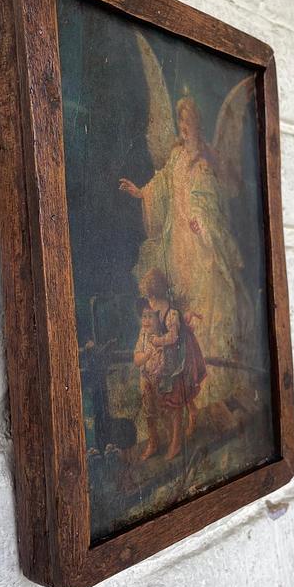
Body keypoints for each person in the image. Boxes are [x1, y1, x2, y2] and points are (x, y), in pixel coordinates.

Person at [120, 94, 253, 410]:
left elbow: (212, 200)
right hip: (177, 243)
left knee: (206, 308)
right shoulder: (177, 156)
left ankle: (209, 384)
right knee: (179, 308)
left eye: (188, 121)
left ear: (197, 124)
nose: (183, 126)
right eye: (180, 120)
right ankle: (178, 383)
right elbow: (162, 184)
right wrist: (142, 193)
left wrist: (201, 223)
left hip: (199, 243)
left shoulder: (206, 160)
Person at [138, 268, 206, 460]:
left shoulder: (171, 313)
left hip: (181, 357)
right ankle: (192, 412)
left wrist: (158, 341)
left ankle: (176, 443)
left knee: (176, 397)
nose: (149, 302)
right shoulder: (156, 311)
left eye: (150, 297)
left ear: (155, 295)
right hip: (167, 359)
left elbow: (174, 337)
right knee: (176, 394)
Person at [133, 299, 165, 460]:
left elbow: (166, 360)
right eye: (143, 316)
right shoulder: (143, 334)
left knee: (165, 410)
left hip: (161, 379)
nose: (146, 320)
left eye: (150, 316)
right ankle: (153, 442)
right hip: (146, 379)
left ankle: (171, 438)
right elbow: (136, 359)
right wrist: (145, 356)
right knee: (149, 412)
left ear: (158, 318)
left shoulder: (163, 335)